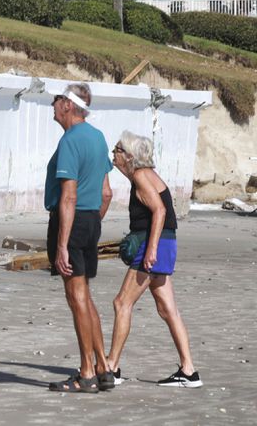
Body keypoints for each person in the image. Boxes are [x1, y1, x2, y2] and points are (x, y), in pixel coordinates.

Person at [103, 131, 201, 388]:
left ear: (130, 156)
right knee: (167, 308)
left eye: (118, 150)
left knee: (121, 303)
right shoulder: (143, 175)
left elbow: (160, 210)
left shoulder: (140, 176)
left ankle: (111, 367)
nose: (114, 153)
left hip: (155, 245)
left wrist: (151, 250)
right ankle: (189, 371)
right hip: (165, 243)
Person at [45, 83, 114, 393]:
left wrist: (63, 243)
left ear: (68, 106)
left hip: (72, 222)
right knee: (85, 296)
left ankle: (86, 372)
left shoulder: (71, 140)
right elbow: (106, 192)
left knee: (77, 298)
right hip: (90, 221)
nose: (53, 105)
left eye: (57, 100)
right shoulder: (98, 138)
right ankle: (103, 367)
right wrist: (91, 225)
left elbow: (68, 197)